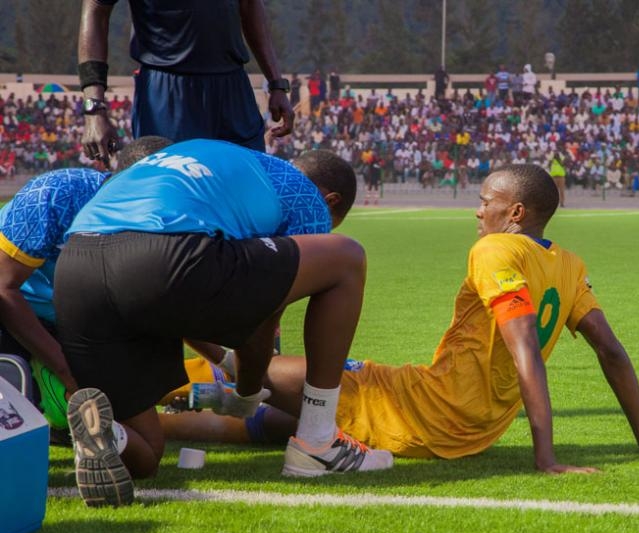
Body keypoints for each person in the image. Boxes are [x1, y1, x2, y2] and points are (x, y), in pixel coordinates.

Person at [183, 164, 639, 473]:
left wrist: (545, 456)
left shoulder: (497, 251)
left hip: (429, 408)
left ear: (516, 213)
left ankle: (184, 354)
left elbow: (524, 348)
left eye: (486, 202)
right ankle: (175, 413)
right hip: (471, 428)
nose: (478, 212)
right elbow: (611, 352)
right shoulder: (569, 266)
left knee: (271, 370)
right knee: (281, 423)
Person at [54, 139, 392, 507]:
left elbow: (185, 297)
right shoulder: (306, 197)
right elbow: (259, 318)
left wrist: (225, 364)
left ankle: (110, 435)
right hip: (161, 255)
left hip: (76, 268)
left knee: (148, 454)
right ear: (331, 201)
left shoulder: (217, 170)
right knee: (346, 258)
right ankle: (317, 441)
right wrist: (247, 391)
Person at [0, 136, 173, 439]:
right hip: (13, 315)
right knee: (16, 421)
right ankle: (32, 386)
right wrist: (68, 372)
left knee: (146, 446)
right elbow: (3, 289)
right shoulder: (56, 195)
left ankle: (59, 417)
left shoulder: (161, 219)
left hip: (76, 324)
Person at [77, 0, 294, 166]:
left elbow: (249, 4)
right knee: (175, 199)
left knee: (249, 194)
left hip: (233, 87)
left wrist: (276, 82)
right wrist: (94, 109)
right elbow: (96, 8)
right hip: (168, 92)